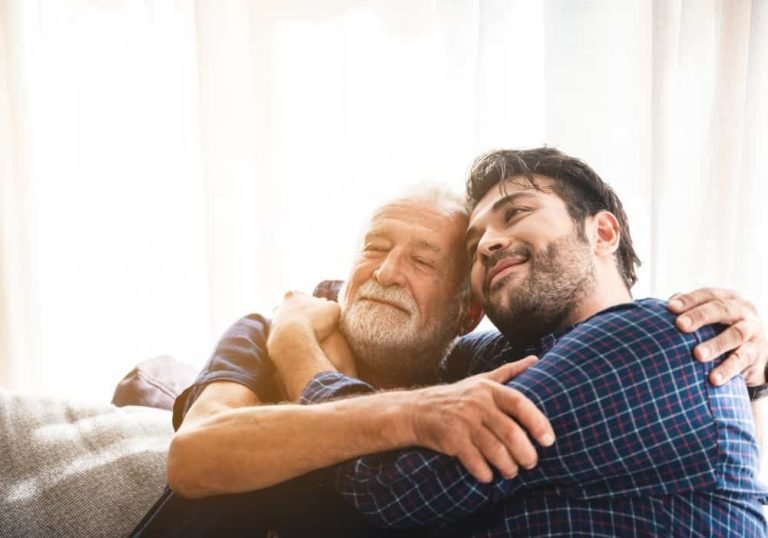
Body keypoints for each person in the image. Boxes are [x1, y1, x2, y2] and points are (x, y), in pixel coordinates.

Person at [134, 175, 767, 536]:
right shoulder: (268, 330)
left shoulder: (483, 370)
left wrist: (752, 359)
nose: (387, 271)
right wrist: (295, 335)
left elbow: (604, 345)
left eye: (424, 260)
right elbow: (195, 456)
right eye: (373, 248)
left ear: (466, 311)